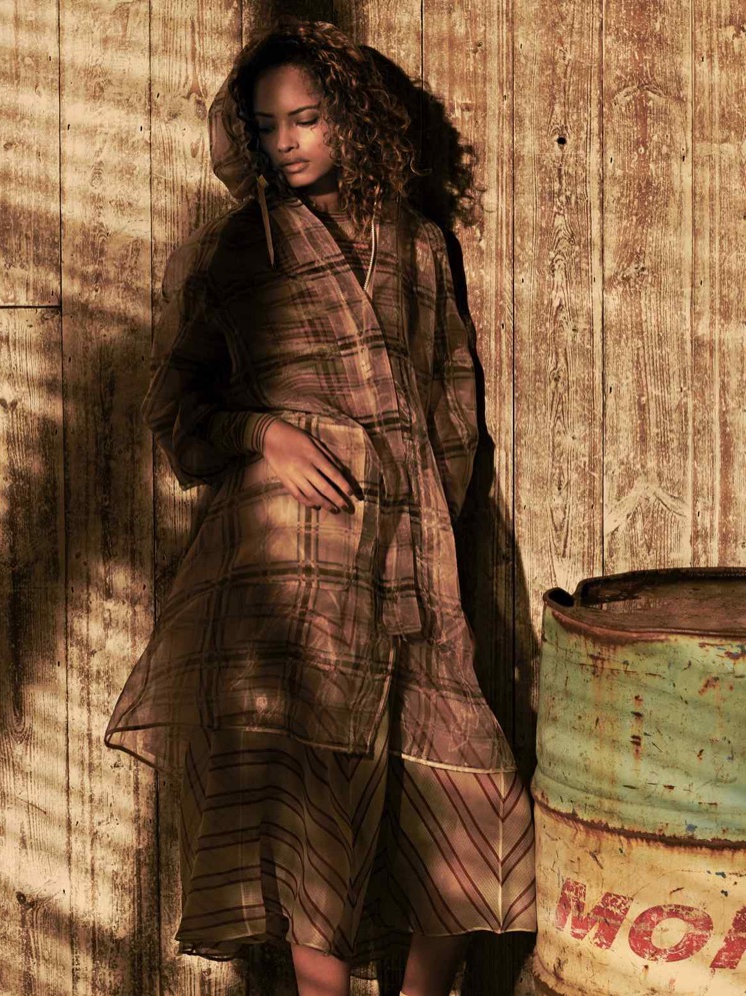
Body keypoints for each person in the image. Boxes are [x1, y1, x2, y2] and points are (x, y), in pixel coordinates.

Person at [104, 16, 536, 996]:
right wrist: (268, 435)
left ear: (352, 118)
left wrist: (428, 519)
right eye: (266, 126)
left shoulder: (415, 243)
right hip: (287, 566)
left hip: (411, 558)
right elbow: (175, 405)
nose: (287, 142)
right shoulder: (240, 247)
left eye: (307, 118)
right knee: (314, 814)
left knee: (479, 806)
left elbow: (452, 400)